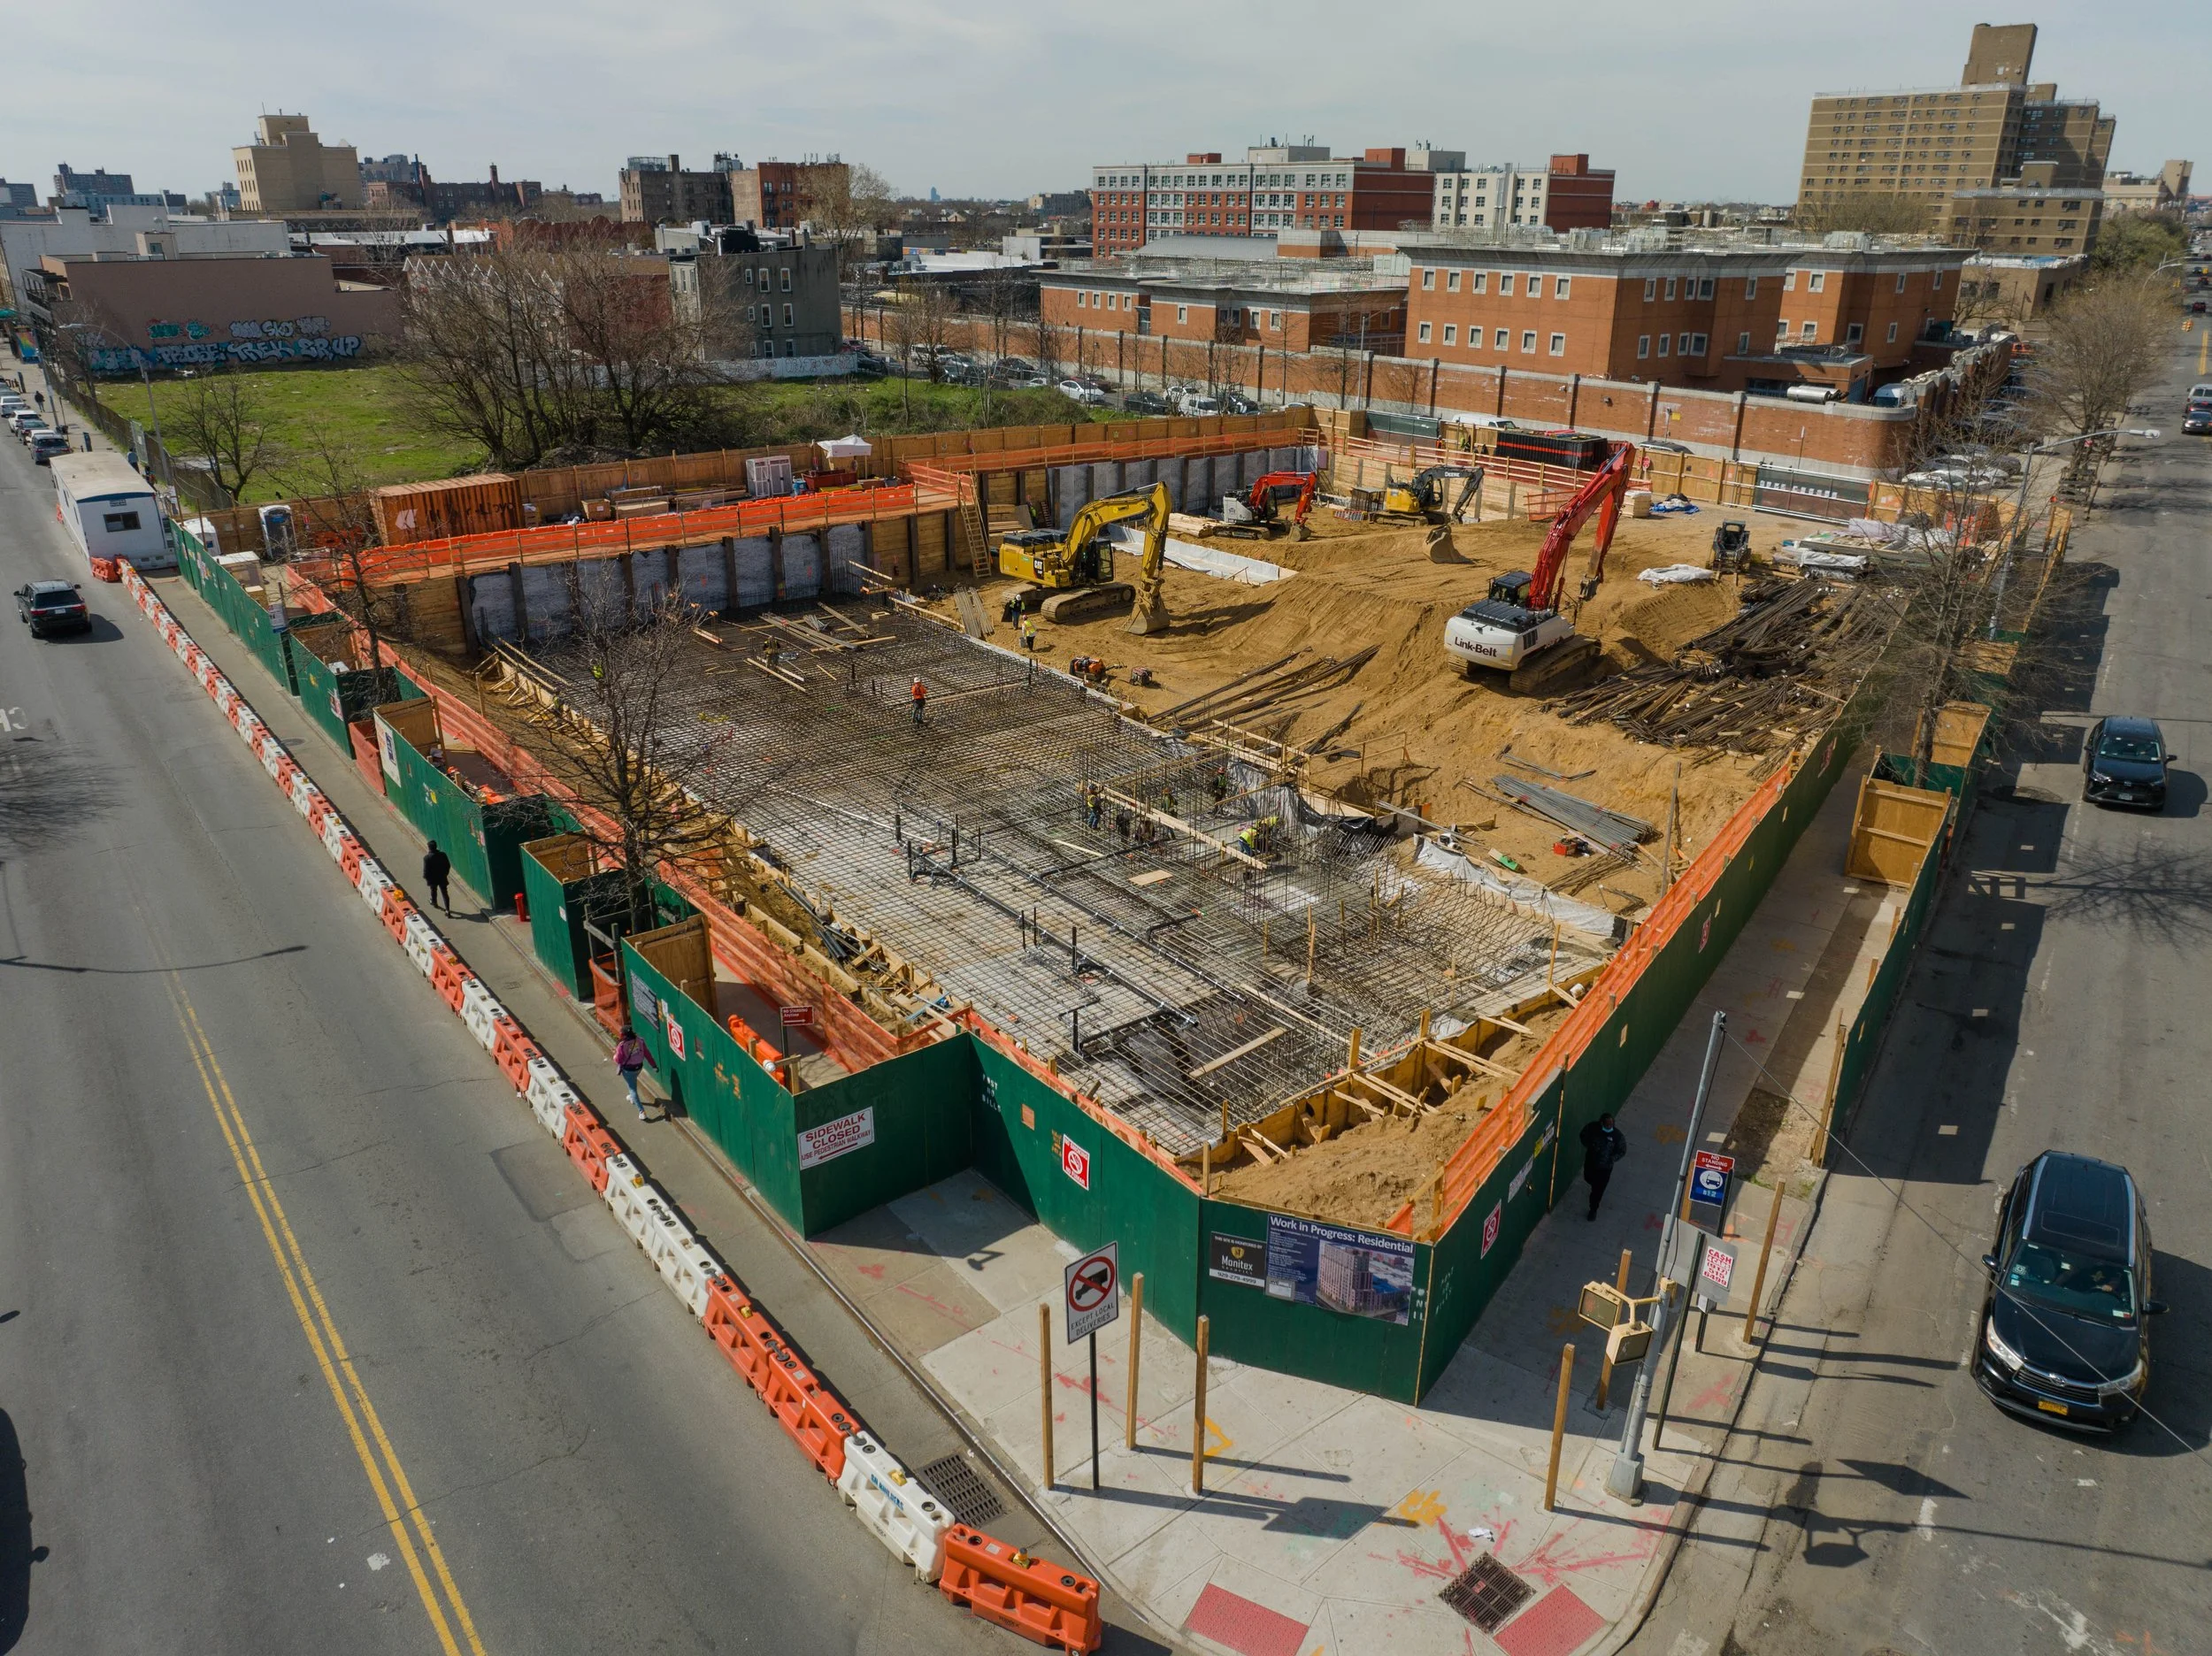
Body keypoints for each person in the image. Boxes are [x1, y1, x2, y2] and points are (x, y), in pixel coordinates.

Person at [1579, 1113, 1628, 1220]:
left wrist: (1612, 1158)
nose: (1609, 1127)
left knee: (1598, 1190)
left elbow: (1622, 1150)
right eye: (1607, 1125)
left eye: (1611, 1125)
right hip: (1591, 1163)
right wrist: (1590, 1145)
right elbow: (1583, 1135)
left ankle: (1593, 1209)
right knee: (1588, 1178)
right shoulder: (1593, 1128)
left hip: (1605, 1169)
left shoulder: (1617, 1136)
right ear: (1602, 1123)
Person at [613, 1025, 651, 1120]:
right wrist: (654, 1065)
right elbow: (646, 1053)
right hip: (639, 1067)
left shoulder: (622, 1045)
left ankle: (641, 1111)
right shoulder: (639, 1040)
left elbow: (618, 1059)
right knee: (632, 1083)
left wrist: (614, 1056)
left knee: (632, 1088)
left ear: (623, 1034)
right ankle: (631, 1097)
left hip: (628, 1070)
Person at [423, 841, 452, 916]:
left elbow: (426, 871)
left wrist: (426, 877)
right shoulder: (443, 855)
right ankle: (447, 910)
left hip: (432, 879)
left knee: (433, 890)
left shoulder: (427, 858)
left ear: (429, 848)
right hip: (442, 877)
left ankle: (434, 902)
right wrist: (445, 874)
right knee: (445, 893)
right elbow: (448, 865)